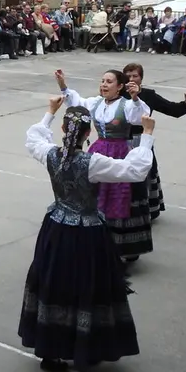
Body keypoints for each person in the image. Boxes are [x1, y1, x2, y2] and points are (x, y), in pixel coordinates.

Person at [20, 96, 156, 372]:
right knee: (87, 286)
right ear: (88, 133)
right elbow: (135, 170)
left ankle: (51, 350)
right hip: (87, 234)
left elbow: (33, 139)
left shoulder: (50, 154)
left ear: (63, 130)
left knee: (54, 283)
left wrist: (49, 112)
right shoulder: (92, 163)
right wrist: (148, 136)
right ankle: (86, 346)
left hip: (56, 229)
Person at [54, 68, 150, 261]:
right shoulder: (96, 103)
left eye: (109, 82)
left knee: (119, 196)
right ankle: (98, 242)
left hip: (120, 152)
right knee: (96, 195)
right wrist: (63, 85)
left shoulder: (126, 105)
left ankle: (122, 249)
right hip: (98, 150)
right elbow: (77, 103)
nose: (104, 85)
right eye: (102, 81)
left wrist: (135, 98)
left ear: (120, 86)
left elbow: (141, 115)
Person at [122, 63, 186, 222]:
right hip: (119, 142)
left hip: (141, 141)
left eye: (135, 75)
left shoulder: (148, 95)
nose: (132, 79)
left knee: (144, 176)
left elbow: (172, 109)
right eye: (128, 75)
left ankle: (146, 210)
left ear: (141, 78)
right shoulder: (117, 92)